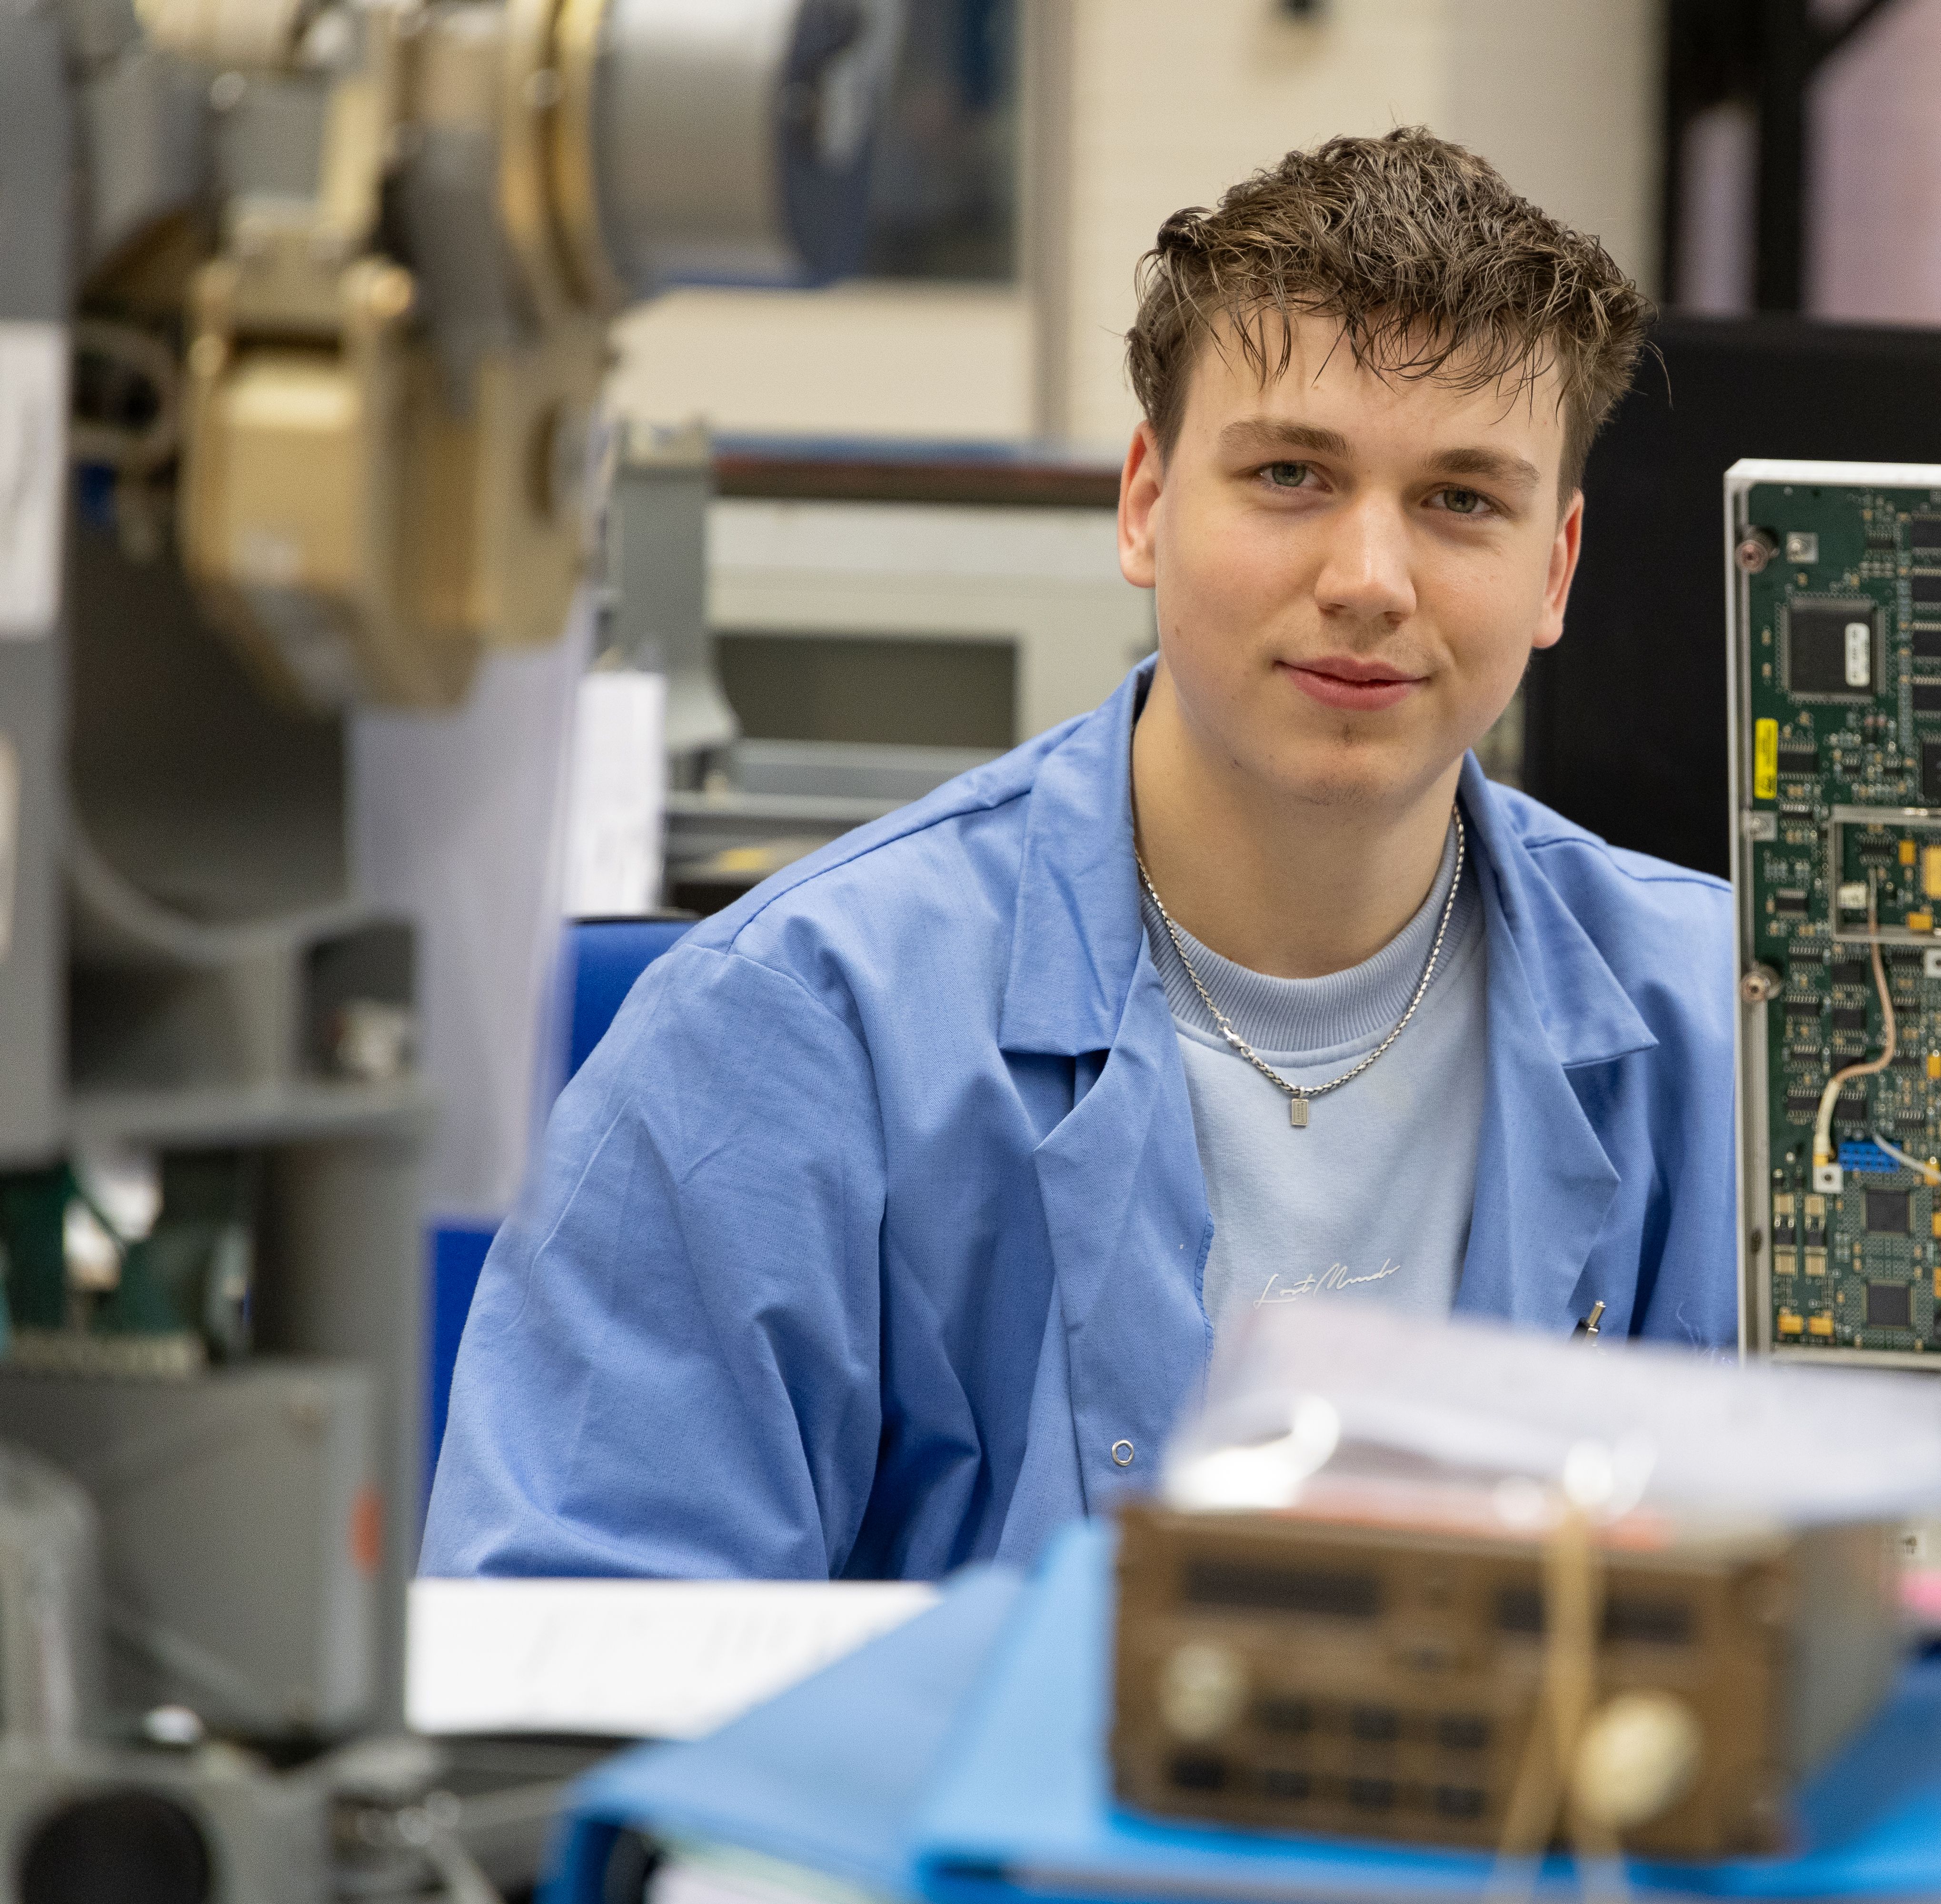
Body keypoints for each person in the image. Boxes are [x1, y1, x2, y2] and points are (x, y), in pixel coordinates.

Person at [421, 130, 1735, 1579]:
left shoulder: (1734, 1038)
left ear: (1553, 570)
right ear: (1145, 504)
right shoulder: (794, 1024)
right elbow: (576, 1655)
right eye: (1293, 473)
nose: (1370, 579)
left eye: (1463, 500)